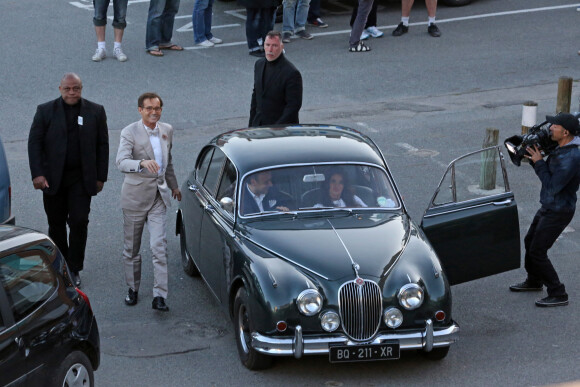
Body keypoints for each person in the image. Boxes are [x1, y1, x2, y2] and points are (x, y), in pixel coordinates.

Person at [28, 73, 109, 287]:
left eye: (76, 88)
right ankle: (60, 265)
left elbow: (103, 145)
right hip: (52, 180)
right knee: (56, 224)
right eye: (67, 89)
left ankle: (74, 268)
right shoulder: (45, 111)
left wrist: (101, 177)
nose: (72, 92)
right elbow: (34, 143)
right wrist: (37, 174)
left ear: (81, 88)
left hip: (81, 179)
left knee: (79, 221)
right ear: (60, 89)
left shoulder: (95, 111)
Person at [116, 92, 181, 312]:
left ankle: (160, 296)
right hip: (134, 198)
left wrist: (173, 186)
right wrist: (142, 163)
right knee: (132, 248)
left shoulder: (167, 130)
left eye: (157, 108)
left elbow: (167, 162)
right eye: (149, 108)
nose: (154, 112)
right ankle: (133, 289)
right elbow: (121, 162)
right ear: (140, 110)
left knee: (158, 247)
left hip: (158, 198)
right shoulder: (129, 132)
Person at [509, 113, 580, 307]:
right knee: (530, 241)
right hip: (550, 206)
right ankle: (534, 281)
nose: (550, 129)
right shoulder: (563, 146)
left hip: (558, 210)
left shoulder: (571, 157)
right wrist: (534, 159)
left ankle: (558, 292)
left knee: (538, 251)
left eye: (554, 126)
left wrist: (539, 162)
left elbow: (552, 186)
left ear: (565, 132)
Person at [249, 31, 303, 126]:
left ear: (281, 47)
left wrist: (275, 129)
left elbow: (293, 107)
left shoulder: (291, 73)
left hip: (280, 130)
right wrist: (250, 126)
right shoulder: (259, 65)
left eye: (274, 46)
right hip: (258, 126)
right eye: (267, 45)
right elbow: (255, 97)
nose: (270, 49)